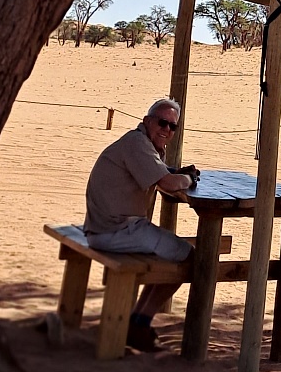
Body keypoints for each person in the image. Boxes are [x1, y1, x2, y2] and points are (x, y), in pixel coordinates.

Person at [83, 97, 200, 351]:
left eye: (172, 127)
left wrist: (174, 173)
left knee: (172, 253)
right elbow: (168, 184)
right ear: (147, 121)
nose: (166, 130)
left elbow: (161, 174)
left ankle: (136, 321)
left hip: (107, 227)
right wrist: (188, 179)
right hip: (115, 230)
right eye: (162, 123)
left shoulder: (143, 143)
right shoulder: (137, 144)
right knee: (190, 258)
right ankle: (139, 321)